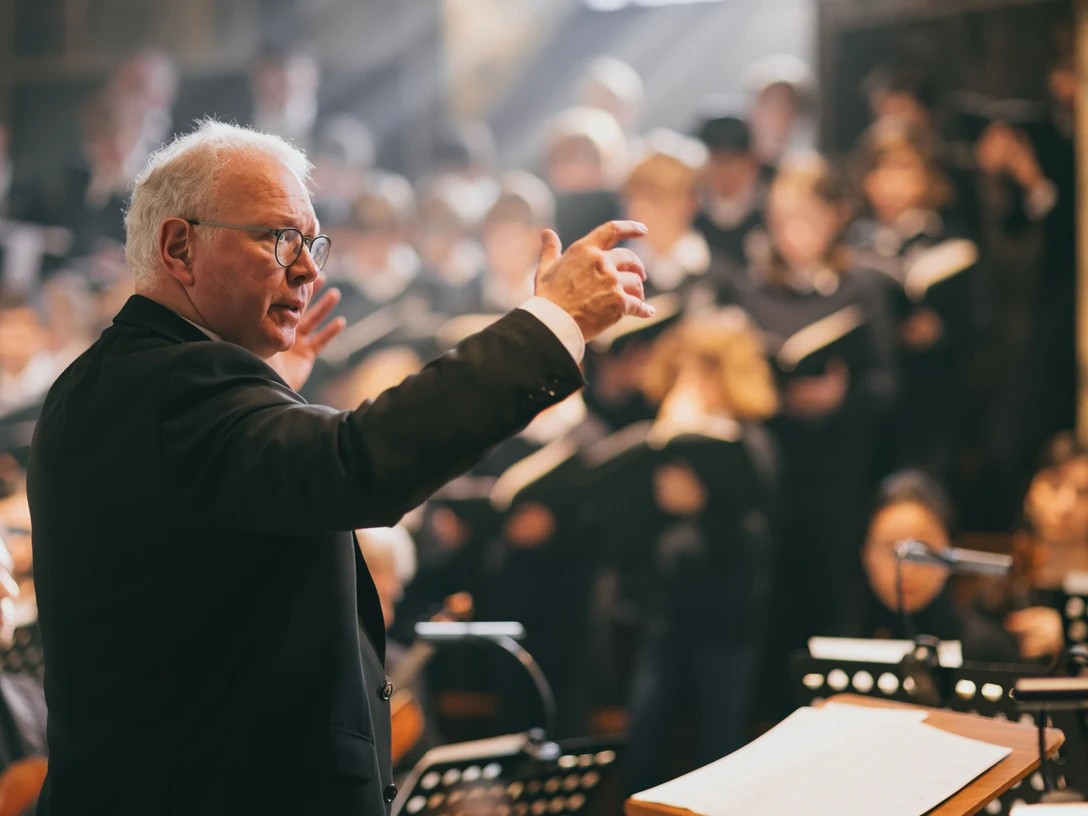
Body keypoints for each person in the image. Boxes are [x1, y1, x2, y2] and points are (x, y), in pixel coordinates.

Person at [26, 119, 654, 816]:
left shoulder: (127, 382)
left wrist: (269, 395)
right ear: (180, 246)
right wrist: (552, 323)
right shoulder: (176, 386)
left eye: (313, 241)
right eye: (280, 238)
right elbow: (353, 464)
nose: (310, 268)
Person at [727, 153, 896, 717]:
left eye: (803, 216)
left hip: (835, 479)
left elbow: (886, 386)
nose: (790, 231)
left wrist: (837, 399)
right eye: (779, 218)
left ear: (834, 217)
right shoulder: (752, 292)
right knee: (770, 618)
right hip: (771, 478)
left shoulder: (860, 290)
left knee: (830, 611)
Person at [602, 309, 780, 792]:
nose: (694, 380)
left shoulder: (752, 442)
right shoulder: (667, 430)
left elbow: (748, 530)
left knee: (719, 743)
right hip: (666, 611)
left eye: (707, 368)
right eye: (687, 367)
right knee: (644, 733)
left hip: (728, 614)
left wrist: (698, 494)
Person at [849, 118, 978, 482]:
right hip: (870, 407)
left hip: (931, 399)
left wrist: (940, 331)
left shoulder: (952, 242)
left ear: (928, 176)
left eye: (904, 169)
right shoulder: (852, 245)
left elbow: (979, 319)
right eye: (880, 169)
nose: (891, 183)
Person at [854, 470, 1020, 663]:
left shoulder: (986, 650)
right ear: (865, 554)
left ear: (949, 550)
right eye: (893, 550)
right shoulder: (840, 641)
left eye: (923, 551)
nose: (906, 569)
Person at [692, 110, 766, 271]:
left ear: (751, 160)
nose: (722, 170)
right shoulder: (690, 209)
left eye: (730, 160)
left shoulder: (770, 211)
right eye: (716, 159)